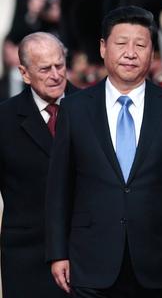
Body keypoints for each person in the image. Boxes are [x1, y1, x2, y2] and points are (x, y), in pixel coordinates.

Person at [45, 6, 162, 298]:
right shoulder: (74, 108)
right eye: (121, 43)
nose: (130, 53)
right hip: (90, 260)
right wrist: (57, 252)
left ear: (152, 52)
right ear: (103, 47)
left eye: (141, 44)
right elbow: (59, 185)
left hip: (159, 261)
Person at [0, 32, 75, 298]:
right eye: (45, 69)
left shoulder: (93, 108)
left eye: (60, 65)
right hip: (28, 258)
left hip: (86, 255)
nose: (55, 75)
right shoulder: (4, 120)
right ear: (24, 73)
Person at [2, 0, 65, 100]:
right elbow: (14, 34)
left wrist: (61, 16)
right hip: (32, 64)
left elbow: (78, 34)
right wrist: (31, 13)